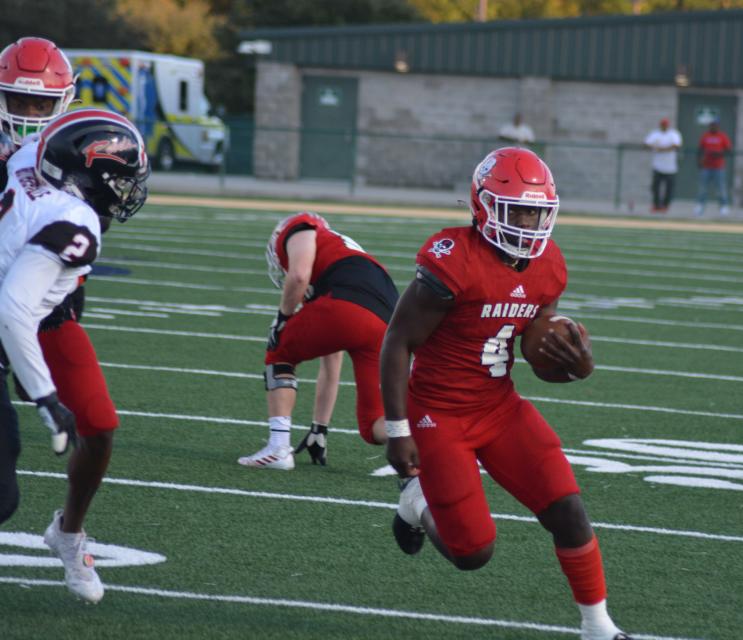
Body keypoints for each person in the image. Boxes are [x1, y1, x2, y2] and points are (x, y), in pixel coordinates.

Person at [380, 147, 633, 640]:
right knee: (472, 553)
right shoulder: (453, 260)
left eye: (537, 210)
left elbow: (533, 339)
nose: (528, 221)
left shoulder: (548, 265)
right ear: (483, 205)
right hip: (440, 415)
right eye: (516, 208)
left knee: (568, 510)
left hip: (499, 406)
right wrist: (398, 429)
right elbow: (397, 340)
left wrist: (573, 361)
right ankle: (416, 500)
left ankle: (598, 626)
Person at [0, 108, 150, 607]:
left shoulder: (29, 157)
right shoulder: (75, 217)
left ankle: (69, 532)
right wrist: (45, 398)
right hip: (19, 309)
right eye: (121, 179)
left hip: (49, 312)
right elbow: (14, 308)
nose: (128, 189)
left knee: (100, 424)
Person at [238, 212, 399, 470]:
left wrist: (282, 319)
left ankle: (278, 447)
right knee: (374, 425)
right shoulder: (340, 255)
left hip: (349, 302)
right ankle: (427, 437)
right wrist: (319, 428)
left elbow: (299, 276)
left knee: (278, 352)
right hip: (387, 319)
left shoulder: (300, 225)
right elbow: (331, 365)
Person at [694, 119, 733, 217]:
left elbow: (728, 150)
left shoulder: (722, 136)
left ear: (718, 126)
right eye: (712, 125)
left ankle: (723, 207)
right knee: (703, 188)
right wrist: (699, 162)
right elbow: (700, 149)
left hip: (718, 167)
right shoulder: (705, 136)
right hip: (706, 166)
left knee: (721, 188)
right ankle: (700, 206)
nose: (713, 127)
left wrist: (719, 154)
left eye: (715, 125)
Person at [643, 118, 682, 213]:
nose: (664, 126)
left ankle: (665, 206)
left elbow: (676, 145)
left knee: (669, 188)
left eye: (666, 124)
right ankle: (656, 205)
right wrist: (656, 147)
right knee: (655, 187)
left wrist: (662, 149)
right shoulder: (655, 134)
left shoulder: (673, 134)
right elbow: (646, 144)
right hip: (657, 166)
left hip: (670, 167)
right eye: (663, 124)